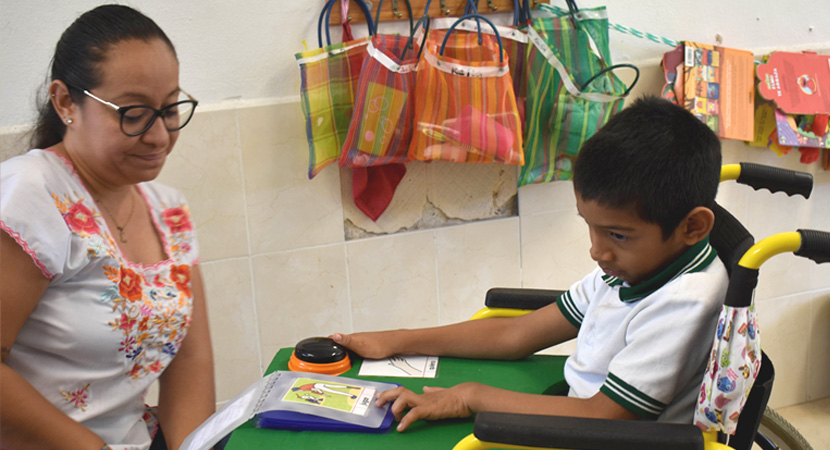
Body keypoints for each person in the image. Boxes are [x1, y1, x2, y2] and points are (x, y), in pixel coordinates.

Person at [332, 96, 728, 432]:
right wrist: (397, 340)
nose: (597, 251)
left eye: (617, 235)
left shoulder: (684, 302)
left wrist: (472, 397)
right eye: (589, 227)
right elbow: (516, 336)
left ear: (692, 226)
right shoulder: (633, 265)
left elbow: (604, 417)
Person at [0, 5, 217, 450]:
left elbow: (190, 361)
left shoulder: (168, 210)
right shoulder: (32, 195)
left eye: (170, 108)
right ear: (65, 102)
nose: (159, 136)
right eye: (134, 113)